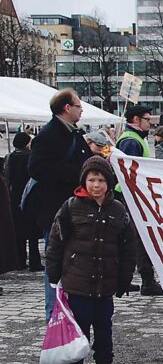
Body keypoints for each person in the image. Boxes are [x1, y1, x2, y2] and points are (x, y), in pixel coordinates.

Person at [46, 156, 136, 364]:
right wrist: (54, 274)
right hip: (78, 280)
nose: (96, 185)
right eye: (92, 180)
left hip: (106, 282)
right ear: (84, 181)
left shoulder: (118, 210)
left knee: (104, 328)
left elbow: (128, 248)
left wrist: (124, 279)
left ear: (109, 183)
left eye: (101, 180)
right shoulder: (70, 207)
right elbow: (56, 243)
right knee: (79, 327)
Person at [28, 88, 93, 320]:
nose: (81, 109)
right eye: (78, 106)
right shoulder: (49, 134)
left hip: (76, 210)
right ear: (67, 108)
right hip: (56, 211)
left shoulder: (73, 133)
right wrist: (78, 172)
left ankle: (71, 313)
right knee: (55, 266)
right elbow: (36, 167)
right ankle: (54, 315)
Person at [116, 105, 163, 297]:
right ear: (136, 120)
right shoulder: (131, 140)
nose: (150, 123)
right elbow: (133, 171)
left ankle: (137, 278)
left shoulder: (135, 138)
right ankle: (146, 279)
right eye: (148, 119)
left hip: (134, 194)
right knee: (139, 238)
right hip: (133, 194)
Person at [4, 132, 43, 272]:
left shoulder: (10, 157)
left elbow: (7, 177)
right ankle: (34, 261)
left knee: (19, 232)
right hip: (30, 197)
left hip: (15, 196)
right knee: (32, 232)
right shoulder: (30, 157)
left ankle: (20, 261)